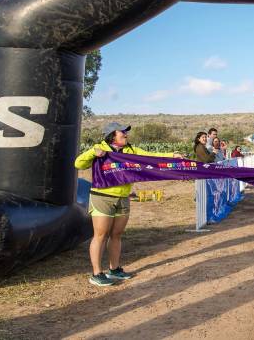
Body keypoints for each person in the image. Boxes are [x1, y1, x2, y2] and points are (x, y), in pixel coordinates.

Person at [75, 122, 184, 287]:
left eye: (126, 132)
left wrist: (172, 156)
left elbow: (151, 157)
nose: (126, 134)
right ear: (112, 135)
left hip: (123, 198)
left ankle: (114, 269)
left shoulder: (131, 150)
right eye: (122, 132)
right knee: (101, 235)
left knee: (117, 234)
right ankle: (96, 273)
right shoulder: (100, 148)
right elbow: (78, 164)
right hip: (102, 197)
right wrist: (92, 153)